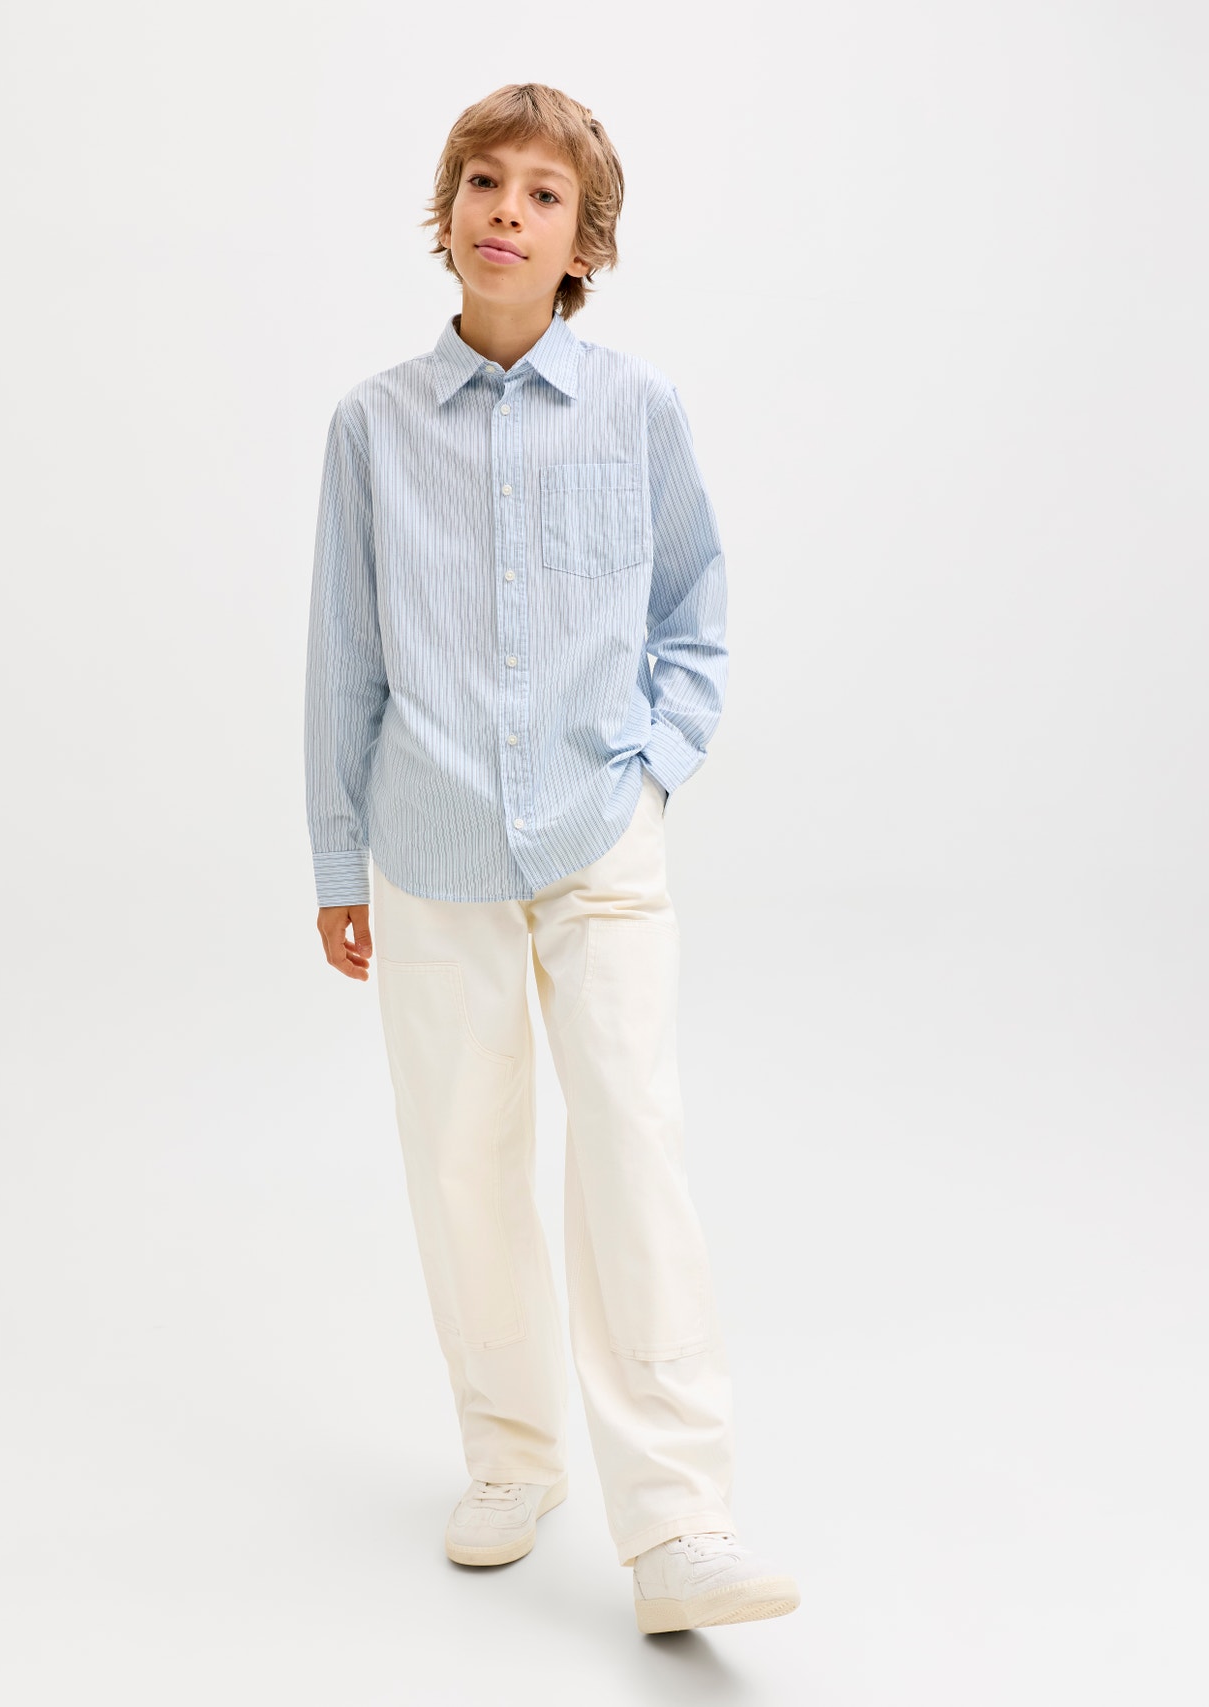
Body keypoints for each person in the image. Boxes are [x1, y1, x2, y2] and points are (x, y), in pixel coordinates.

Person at [303, 81, 800, 1636]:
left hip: (602, 833)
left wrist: (656, 766)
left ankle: (682, 1521)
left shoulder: (637, 409)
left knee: (633, 1145)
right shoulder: (373, 427)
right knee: (463, 1161)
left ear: (585, 242)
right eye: (483, 183)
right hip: (429, 839)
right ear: (447, 211)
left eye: (541, 194)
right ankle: (510, 1461)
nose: (506, 213)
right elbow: (343, 657)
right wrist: (337, 859)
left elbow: (695, 605)